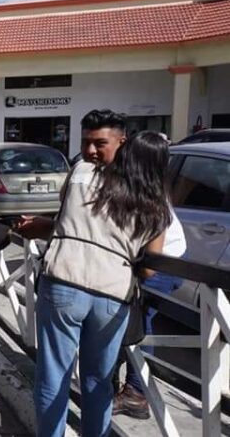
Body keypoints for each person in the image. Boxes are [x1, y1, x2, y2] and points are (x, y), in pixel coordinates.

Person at [14, 112, 172, 437]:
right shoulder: (154, 199)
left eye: (100, 143)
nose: (91, 151)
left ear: (122, 142)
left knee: (53, 376)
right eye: (86, 142)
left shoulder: (81, 173)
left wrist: (42, 227)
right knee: (98, 381)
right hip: (113, 296)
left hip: (63, 284)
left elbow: (67, 221)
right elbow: (152, 267)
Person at [112, 134, 187, 420]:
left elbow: (150, 264)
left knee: (138, 326)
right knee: (133, 325)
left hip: (160, 268)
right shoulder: (145, 186)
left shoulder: (149, 195)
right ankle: (126, 387)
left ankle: (136, 393)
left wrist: (135, 277)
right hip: (160, 263)